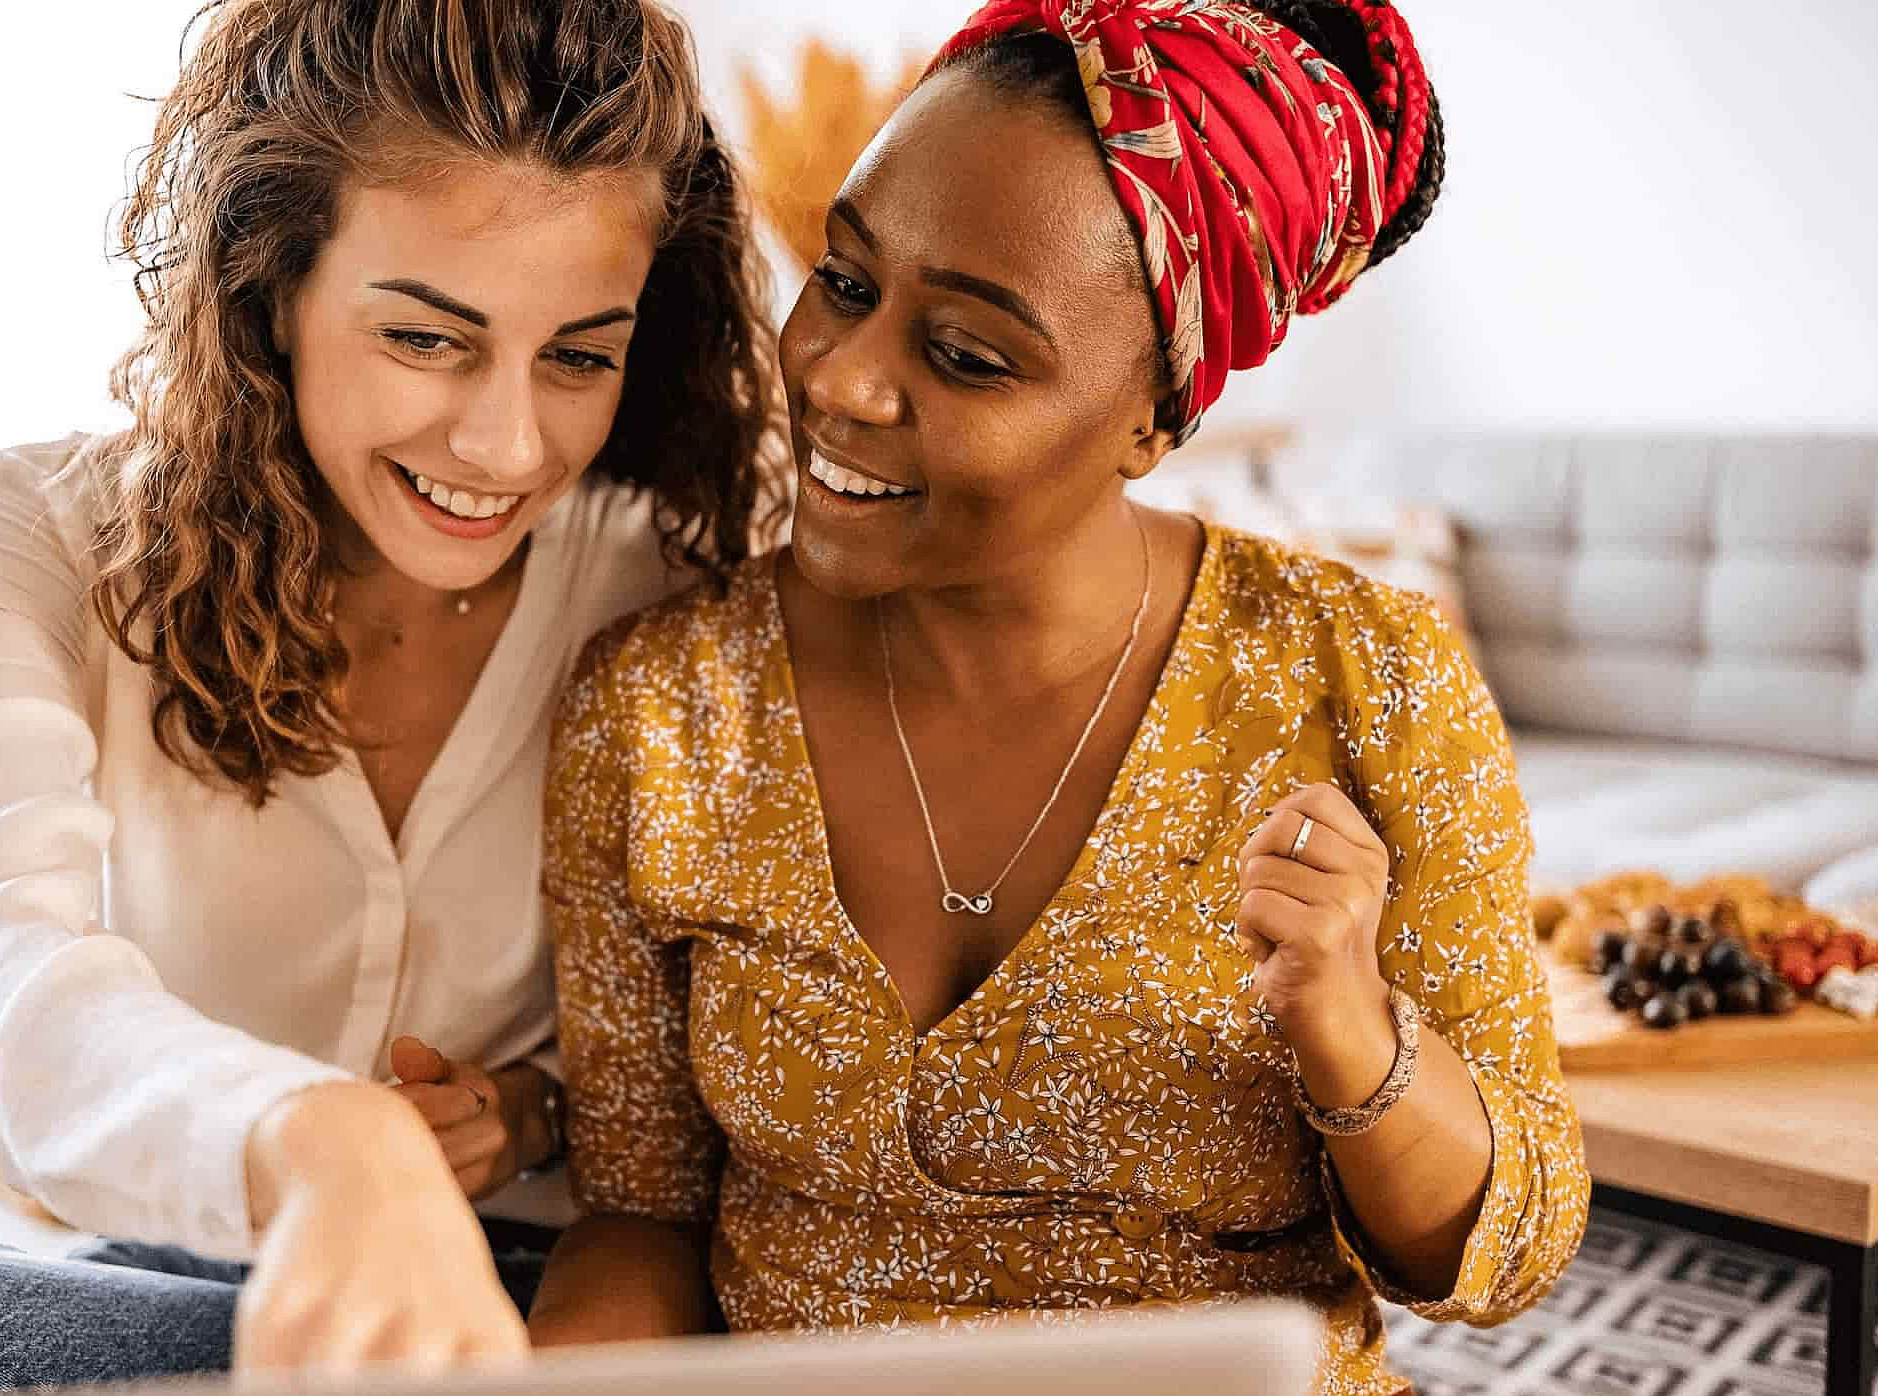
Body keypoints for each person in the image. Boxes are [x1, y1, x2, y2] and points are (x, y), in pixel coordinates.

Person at [0, 0, 780, 1389]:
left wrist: (526, 1119)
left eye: (577, 355)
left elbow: (700, 1095)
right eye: (426, 339)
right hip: (198, 1277)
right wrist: (320, 1141)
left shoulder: (664, 578)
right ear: (270, 287)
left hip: (555, 1298)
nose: (505, 441)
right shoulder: (32, 537)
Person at [525, 1, 1589, 1391]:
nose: (841, 379)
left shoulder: (1368, 676)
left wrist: (1352, 1031)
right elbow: (640, 1214)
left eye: (966, 356)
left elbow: (1512, 1252)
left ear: (1154, 417)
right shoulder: (658, 708)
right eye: (846, 281)